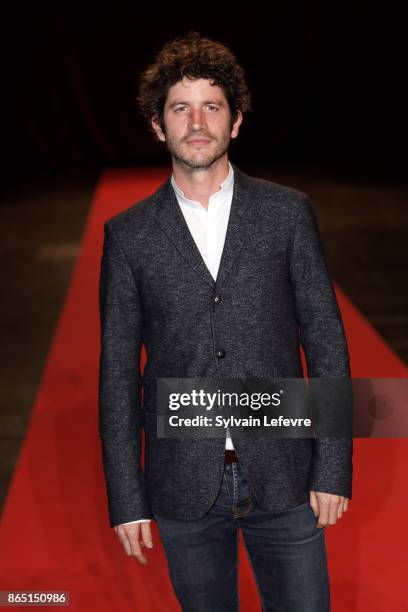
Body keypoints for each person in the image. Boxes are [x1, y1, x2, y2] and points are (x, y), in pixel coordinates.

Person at [98, 30, 352, 611]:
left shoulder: (287, 213)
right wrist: (127, 498)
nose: (196, 122)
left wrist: (333, 466)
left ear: (234, 122)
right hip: (182, 484)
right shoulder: (129, 235)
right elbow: (116, 374)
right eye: (179, 108)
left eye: (211, 106)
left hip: (286, 476)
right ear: (158, 127)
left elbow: (326, 343)